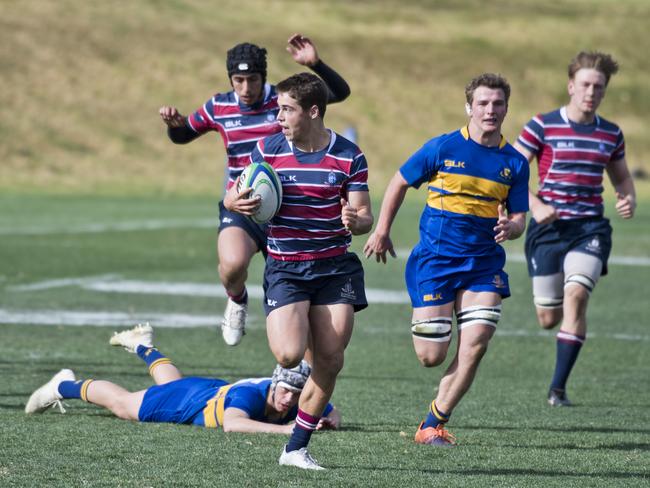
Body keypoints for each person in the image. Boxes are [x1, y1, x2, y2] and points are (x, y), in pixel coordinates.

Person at [364, 73, 529, 446]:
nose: (490, 110)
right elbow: (399, 182)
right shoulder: (442, 148)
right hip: (435, 264)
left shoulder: (515, 163)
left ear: (506, 108)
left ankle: (432, 424)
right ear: (469, 107)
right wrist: (382, 230)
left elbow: (519, 217)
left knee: (476, 343)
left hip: (484, 265)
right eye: (483, 103)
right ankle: (433, 407)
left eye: (498, 104)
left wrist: (512, 227)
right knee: (430, 356)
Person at [159, 34, 351, 347]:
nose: (246, 88)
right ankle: (237, 300)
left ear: (263, 76)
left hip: (290, 209)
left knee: (307, 325)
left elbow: (340, 93)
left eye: (252, 79)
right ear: (230, 79)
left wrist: (315, 64)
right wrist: (174, 124)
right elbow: (183, 135)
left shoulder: (284, 101)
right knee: (232, 264)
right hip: (243, 205)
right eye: (238, 80)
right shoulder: (219, 106)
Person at [226, 72, 372, 469]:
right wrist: (235, 203)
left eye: (286, 109)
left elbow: (365, 218)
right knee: (290, 355)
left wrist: (353, 220)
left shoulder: (348, 155)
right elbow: (232, 192)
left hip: (334, 267)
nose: (279, 117)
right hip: (287, 267)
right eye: (278, 109)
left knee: (331, 359)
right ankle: (290, 351)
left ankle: (295, 447)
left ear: (313, 111)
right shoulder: (268, 149)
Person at [514, 51, 636, 407]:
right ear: (571, 86)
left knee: (577, 295)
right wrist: (535, 206)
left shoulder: (611, 133)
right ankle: (558, 361)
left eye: (598, 86)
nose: (591, 91)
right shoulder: (542, 125)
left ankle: (558, 390)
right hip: (548, 231)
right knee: (547, 317)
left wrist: (627, 197)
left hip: (590, 228)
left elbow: (623, 178)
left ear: (604, 91)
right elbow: (512, 173)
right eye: (585, 84)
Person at [25, 324, 341, 433]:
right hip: (189, 403)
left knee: (170, 385)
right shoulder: (254, 396)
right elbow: (233, 424)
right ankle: (63, 385)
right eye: (285, 390)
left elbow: (331, 409)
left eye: (296, 394)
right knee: (123, 406)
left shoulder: (297, 396)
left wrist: (330, 420)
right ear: (274, 383)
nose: (289, 398)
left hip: (204, 390)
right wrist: (288, 431)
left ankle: (144, 346)